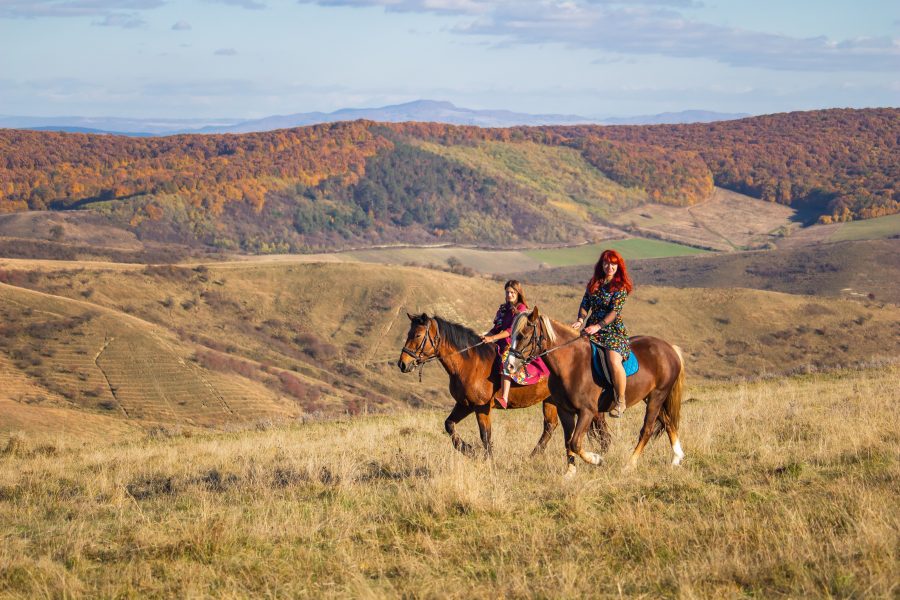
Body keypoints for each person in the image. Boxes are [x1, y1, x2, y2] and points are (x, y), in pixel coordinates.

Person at [571, 249, 633, 418]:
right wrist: (580, 319)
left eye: (613, 264)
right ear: (601, 265)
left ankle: (620, 401)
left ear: (618, 266)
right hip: (591, 328)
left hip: (612, 331)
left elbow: (614, 312)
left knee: (613, 360)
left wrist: (598, 326)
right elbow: (585, 304)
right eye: (606, 263)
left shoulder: (620, 287)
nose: (610, 267)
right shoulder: (594, 283)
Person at [481, 280, 547, 409]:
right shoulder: (503, 309)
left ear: (518, 293)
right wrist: (485, 336)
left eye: (512, 292)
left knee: (506, 360)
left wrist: (493, 338)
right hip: (499, 343)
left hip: (513, 345)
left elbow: (511, 331)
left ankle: (504, 397)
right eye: (507, 292)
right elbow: (496, 328)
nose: (509, 294)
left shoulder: (521, 309)